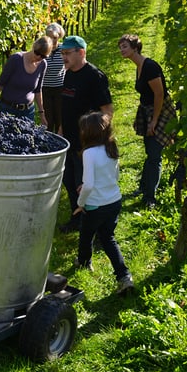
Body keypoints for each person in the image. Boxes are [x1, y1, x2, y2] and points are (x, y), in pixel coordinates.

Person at [72, 112, 134, 294]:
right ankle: (124, 276)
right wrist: (88, 186)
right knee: (108, 238)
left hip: (95, 205)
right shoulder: (111, 148)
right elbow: (114, 176)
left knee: (86, 234)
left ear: (87, 133)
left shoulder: (89, 153)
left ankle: (84, 262)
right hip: (114, 201)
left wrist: (80, 203)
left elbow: (89, 184)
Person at [58, 35, 113, 233]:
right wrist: (61, 131)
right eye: (62, 53)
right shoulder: (69, 73)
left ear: (81, 52)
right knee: (69, 180)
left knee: (85, 183)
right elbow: (68, 106)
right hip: (69, 138)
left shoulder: (94, 76)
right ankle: (77, 217)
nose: (63, 57)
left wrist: (97, 140)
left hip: (86, 143)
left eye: (67, 53)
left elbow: (107, 111)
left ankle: (93, 226)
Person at [119, 34, 175, 208]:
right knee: (150, 151)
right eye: (120, 47)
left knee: (154, 155)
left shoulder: (150, 67)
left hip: (159, 111)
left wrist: (154, 121)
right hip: (148, 110)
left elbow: (159, 95)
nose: (122, 50)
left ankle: (150, 197)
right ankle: (144, 188)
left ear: (135, 48)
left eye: (125, 46)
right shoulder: (139, 66)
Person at [0, 36, 51, 123]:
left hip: (27, 112)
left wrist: (42, 114)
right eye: (37, 53)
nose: (39, 57)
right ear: (33, 47)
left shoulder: (43, 65)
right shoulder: (16, 59)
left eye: (43, 56)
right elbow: (0, 84)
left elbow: (38, 90)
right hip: (7, 109)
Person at [40, 22, 66, 134]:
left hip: (60, 87)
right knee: (48, 119)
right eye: (50, 37)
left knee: (60, 117)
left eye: (55, 37)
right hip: (45, 88)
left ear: (59, 37)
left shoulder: (64, 50)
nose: (53, 40)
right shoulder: (43, 50)